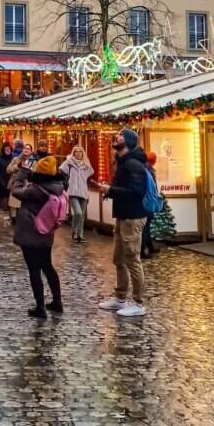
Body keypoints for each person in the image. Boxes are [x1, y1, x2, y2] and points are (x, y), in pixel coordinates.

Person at [98, 128, 149, 319]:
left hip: (133, 217)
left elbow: (136, 192)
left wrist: (111, 190)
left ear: (127, 142)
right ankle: (120, 297)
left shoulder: (133, 164)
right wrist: (109, 190)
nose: (116, 137)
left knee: (132, 259)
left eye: (120, 135)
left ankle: (138, 302)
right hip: (122, 215)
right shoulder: (122, 162)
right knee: (118, 258)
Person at [13, 155, 64, 319]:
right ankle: (57, 302)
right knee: (47, 266)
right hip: (46, 233)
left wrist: (21, 175)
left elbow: (16, 192)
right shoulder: (57, 186)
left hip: (31, 233)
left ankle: (40, 307)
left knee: (34, 269)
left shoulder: (35, 189)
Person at [59, 144, 94, 242]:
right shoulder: (69, 163)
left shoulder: (86, 165)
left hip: (83, 192)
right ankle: (74, 232)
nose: (78, 153)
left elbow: (88, 178)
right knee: (78, 213)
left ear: (83, 153)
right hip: (73, 192)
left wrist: (88, 192)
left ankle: (80, 235)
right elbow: (61, 171)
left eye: (80, 151)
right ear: (73, 153)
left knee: (82, 215)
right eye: (76, 151)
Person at [7, 143, 35, 222]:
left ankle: (22, 218)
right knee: (13, 201)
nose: (26, 150)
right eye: (25, 148)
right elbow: (8, 170)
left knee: (23, 202)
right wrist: (16, 167)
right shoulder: (16, 159)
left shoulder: (33, 161)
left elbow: (35, 172)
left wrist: (30, 170)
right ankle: (13, 218)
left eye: (28, 149)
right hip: (16, 182)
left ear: (31, 151)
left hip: (27, 183)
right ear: (22, 150)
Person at [141, 151, 159, 260]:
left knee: (146, 226)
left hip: (147, 201)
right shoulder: (149, 171)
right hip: (148, 201)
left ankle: (148, 246)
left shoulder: (146, 169)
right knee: (145, 227)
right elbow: (152, 187)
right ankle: (144, 248)